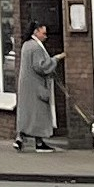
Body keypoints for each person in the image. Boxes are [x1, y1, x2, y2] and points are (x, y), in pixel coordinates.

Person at [13, 22, 61, 152]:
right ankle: (39, 143)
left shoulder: (26, 45)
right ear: (36, 32)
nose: (46, 36)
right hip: (36, 86)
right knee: (38, 113)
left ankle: (20, 137)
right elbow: (40, 66)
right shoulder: (36, 48)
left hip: (26, 87)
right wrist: (55, 60)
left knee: (27, 113)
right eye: (44, 33)